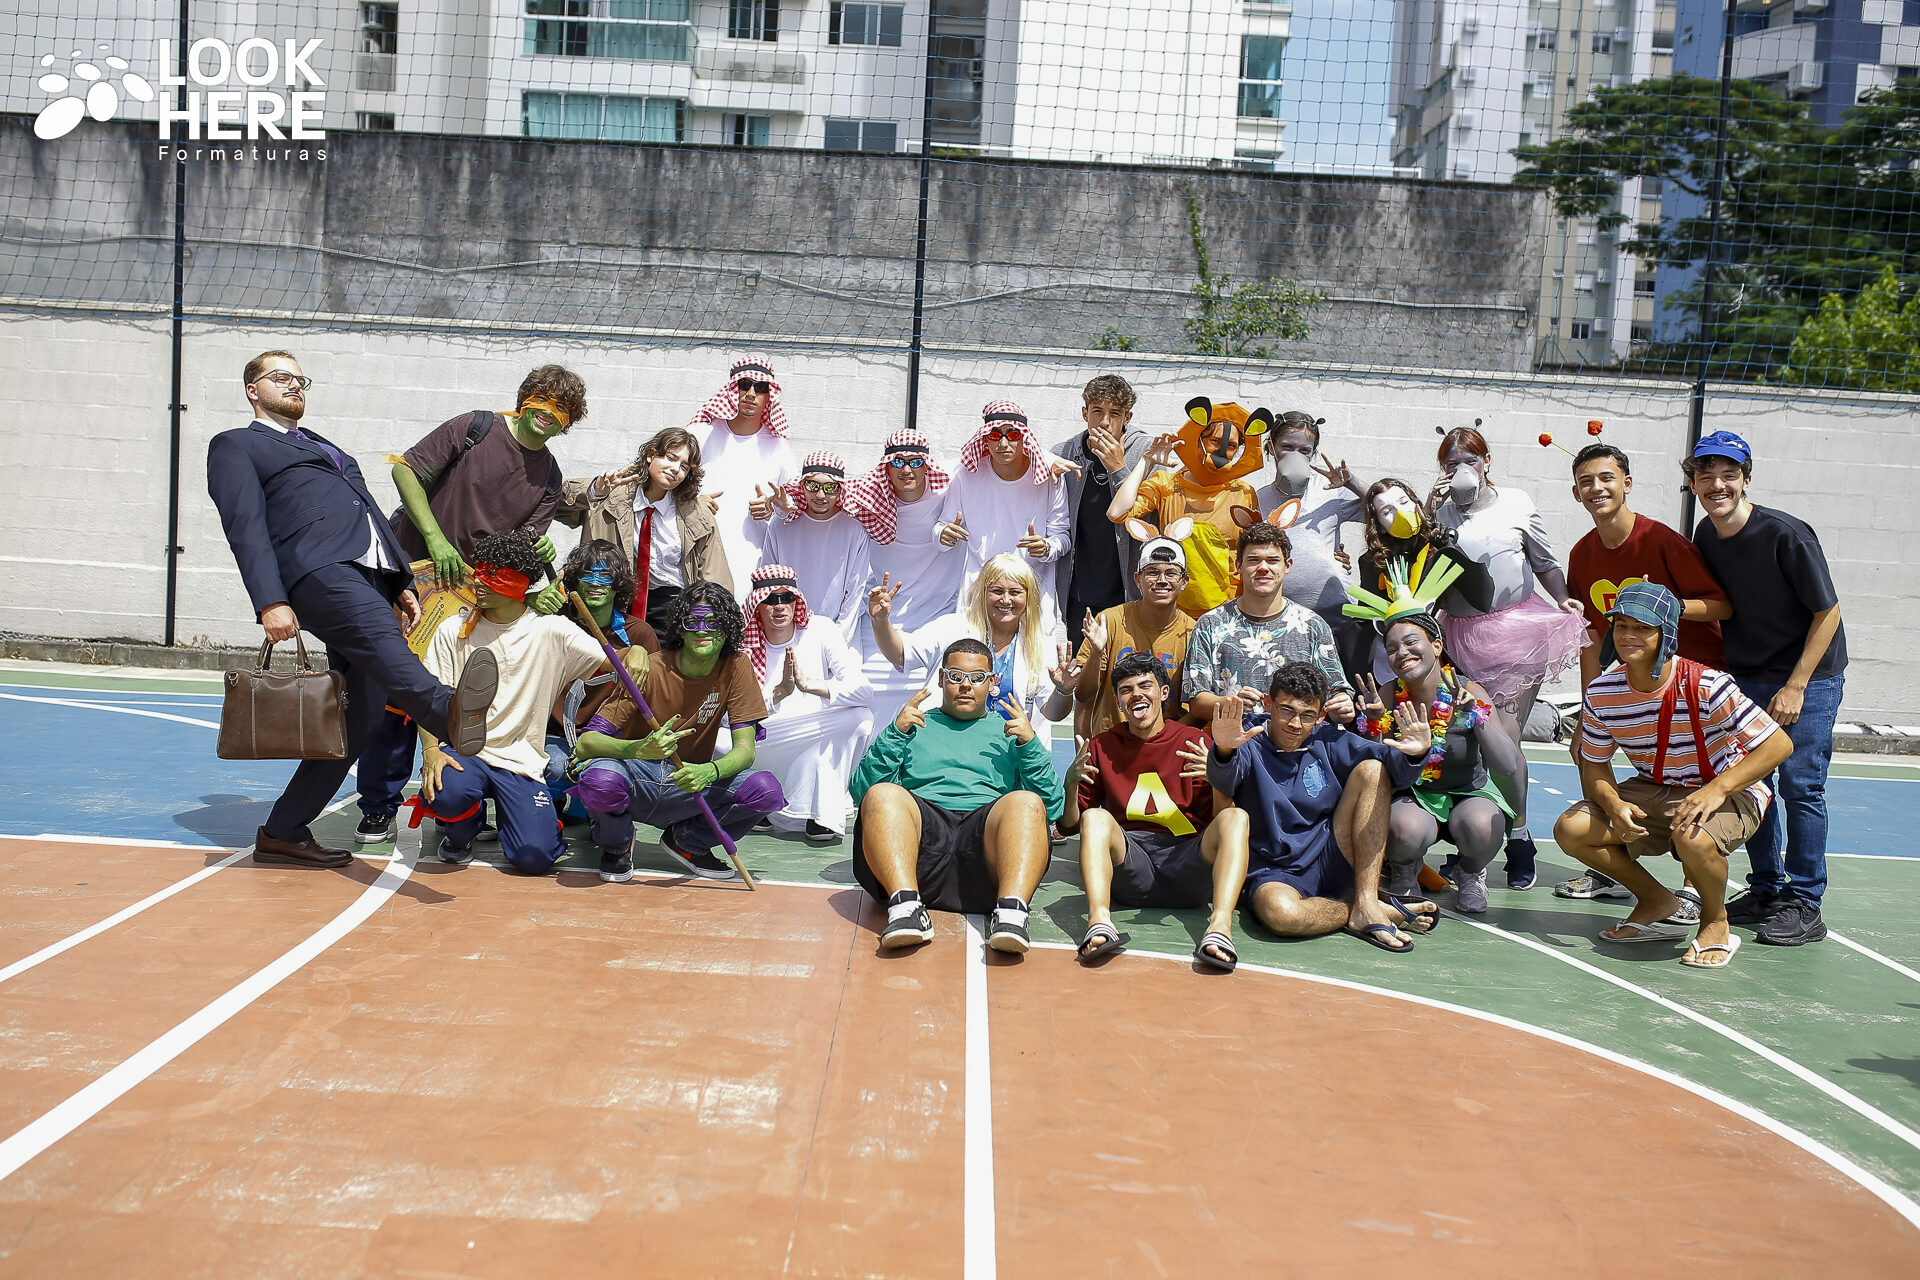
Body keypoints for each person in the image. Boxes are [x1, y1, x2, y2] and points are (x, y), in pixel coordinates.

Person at [206, 350, 495, 869]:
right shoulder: (236, 445)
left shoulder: (328, 448)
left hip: (371, 575)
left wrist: (399, 580)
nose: (294, 385)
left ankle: (283, 830)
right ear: (253, 389)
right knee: (384, 645)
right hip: (318, 571)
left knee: (358, 717)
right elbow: (243, 525)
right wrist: (270, 600)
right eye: (281, 377)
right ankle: (447, 710)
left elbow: (373, 516)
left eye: (301, 379)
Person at [351, 364, 584, 845]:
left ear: (569, 422)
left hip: (474, 597)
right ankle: (377, 805)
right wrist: (436, 540)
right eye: (542, 399)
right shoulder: (474, 427)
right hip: (413, 580)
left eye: (562, 408)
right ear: (524, 400)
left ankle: (456, 801)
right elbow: (404, 470)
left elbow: (516, 549)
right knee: (393, 695)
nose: (549, 412)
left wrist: (537, 552)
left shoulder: (549, 478)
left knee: (455, 696)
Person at [1552, 583, 1792, 969]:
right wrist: (1613, 805)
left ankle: (1715, 922)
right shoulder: (1601, 692)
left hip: (1727, 788)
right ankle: (1655, 900)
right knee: (1571, 829)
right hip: (1654, 787)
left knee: (1693, 838)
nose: (1628, 635)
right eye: (1621, 626)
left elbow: (1778, 745)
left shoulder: (1708, 684)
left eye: (1642, 627)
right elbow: (1594, 762)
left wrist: (1717, 790)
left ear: (1666, 634)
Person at [1689, 430, 1847, 947]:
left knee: (1801, 786)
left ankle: (1805, 902)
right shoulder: (1705, 534)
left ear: (1746, 479)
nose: (1717, 485)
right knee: (1753, 784)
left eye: (1728, 475)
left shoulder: (1786, 534)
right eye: (1707, 476)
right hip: (1746, 674)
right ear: (1693, 483)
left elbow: (1828, 611)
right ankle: (1766, 889)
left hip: (1807, 676)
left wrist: (1796, 685)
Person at [1556, 442, 1730, 902]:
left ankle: (1694, 889)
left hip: (1687, 681)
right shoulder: (1582, 554)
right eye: (1586, 481)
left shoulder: (1663, 541)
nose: (1597, 488)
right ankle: (1612, 866)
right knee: (1590, 758)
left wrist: (1662, 607)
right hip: (1636, 686)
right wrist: (1588, 710)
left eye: (1607, 478)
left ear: (1627, 484)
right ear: (1575, 492)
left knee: (1695, 775)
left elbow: (1721, 605)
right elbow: (1593, 638)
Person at [1429, 426, 1588, 889]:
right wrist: (1427, 515)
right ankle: (1471, 847)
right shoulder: (1439, 511)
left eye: (1470, 461)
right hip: (1457, 636)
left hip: (1516, 633)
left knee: (1503, 739)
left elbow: (1544, 561)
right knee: (1467, 740)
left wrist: (1562, 597)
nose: (1462, 470)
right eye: (1452, 464)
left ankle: (1518, 836)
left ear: (1487, 462)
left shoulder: (1516, 502)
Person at [413, 529, 611, 874]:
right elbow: (427, 698)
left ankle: (526, 823)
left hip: (521, 759)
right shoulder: (450, 629)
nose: (478, 580)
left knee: (534, 859)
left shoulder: (552, 630)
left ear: (519, 583)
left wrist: (636, 653)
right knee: (449, 794)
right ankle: (463, 830)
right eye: (478, 570)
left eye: (492, 574)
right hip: (464, 751)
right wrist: (431, 751)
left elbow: (614, 665)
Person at [848, 638, 1065, 954]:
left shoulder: (1012, 732)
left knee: (1027, 802)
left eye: (977, 678)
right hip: (921, 851)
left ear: (992, 683)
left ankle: (1012, 912)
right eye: (955, 676)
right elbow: (862, 793)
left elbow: (1052, 807)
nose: (966, 685)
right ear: (941, 679)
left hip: (985, 854)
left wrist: (1030, 747)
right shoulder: (912, 725)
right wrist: (894, 735)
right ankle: (906, 907)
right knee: (882, 794)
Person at [1206, 663, 1438, 953]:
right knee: (1281, 914)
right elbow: (1225, 779)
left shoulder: (1328, 739)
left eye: (1307, 715)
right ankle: (1363, 911)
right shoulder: (1248, 738)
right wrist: (1224, 749)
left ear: (1320, 716)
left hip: (1331, 856)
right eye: (1286, 710)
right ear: (1268, 703)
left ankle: (1367, 901)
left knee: (1373, 769)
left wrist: (1417, 753)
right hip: (1275, 872)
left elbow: (1395, 771)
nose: (1295, 724)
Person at [570, 582, 785, 882]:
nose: (702, 630)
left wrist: (709, 771)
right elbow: (587, 743)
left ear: (728, 629)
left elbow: (745, 751)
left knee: (765, 790)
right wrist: (638, 749)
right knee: (600, 779)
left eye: (713, 623)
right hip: (636, 777)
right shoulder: (650, 668)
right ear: (680, 629)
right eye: (692, 622)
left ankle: (687, 842)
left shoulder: (737, 666)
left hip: (688, 781)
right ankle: (617, 844)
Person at [1062, 651, 1251, 970]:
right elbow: (1070, 826)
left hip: (1188, 864)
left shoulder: (1195, 742)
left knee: (1237, 817)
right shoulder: (1102, 746)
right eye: (1126, 690)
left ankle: (1219, 929)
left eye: (1145, 686)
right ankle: (1099, 922)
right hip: (1131, 868)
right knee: (1095, 817)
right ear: (1118, 702)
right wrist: (1070, 785)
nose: (1136, 694)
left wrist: (1216, 777)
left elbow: (1221, 820)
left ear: (1163, 693)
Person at [1357, 607, 1527, 916]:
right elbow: (1374, 767)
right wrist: (1374, 723)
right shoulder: (1389, 694)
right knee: (1404, 829)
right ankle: (1404, 869)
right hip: (1414, 793)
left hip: (1469, 791)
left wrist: (1476, 716)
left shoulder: (1470, 690)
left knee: (1483, 826)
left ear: (1436, 646)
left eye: (1411, 643)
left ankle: (1470, 871)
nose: (1401, 653)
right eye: (1392, 649)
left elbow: (1507, 765)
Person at [842, 428, 965, 730]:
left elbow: (998, 459)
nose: (907, 470)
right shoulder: (866, 497)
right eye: (898, 462)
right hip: (880, 620)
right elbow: (816, 497)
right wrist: (777, 507)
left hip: (934, 620)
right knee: (867, 718)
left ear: (927, 465)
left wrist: (1052, 460)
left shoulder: (950, 489)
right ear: (886, 466)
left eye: (915, 462)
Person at [741, 564, 874, 843]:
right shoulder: (743, 645)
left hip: (815, 727)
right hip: (767, 733)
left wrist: (809, 685)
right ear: (757, 605)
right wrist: (780, 692)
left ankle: (822, 815)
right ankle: (759, 798)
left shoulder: (821, 629)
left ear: (796, 601)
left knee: (860, 719)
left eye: (786, 598)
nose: (780, 606)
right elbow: (735, 712)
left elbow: (863, 691)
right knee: (720, 740)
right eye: (770, 599)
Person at [870, 552, 1075, 731]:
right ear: (983, 592)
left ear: (1028, 596)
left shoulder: (1039, 643)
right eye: (997, 591)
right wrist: (880, 621)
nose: (1005, 600)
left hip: (1006, 749)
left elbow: (1052, 713)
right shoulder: (953, 626)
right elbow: (899, 653)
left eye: (1015, 592)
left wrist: (1063, 691)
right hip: (946, 738)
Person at [555, 426, 731, 635]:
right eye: (670, 458)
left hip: (671, 606)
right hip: (612, 602)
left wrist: (708, 622)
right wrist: (594, 492)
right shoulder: (610, 496)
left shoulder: (697, 515)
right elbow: (554, 502)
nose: (676, 469)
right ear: (650, 455)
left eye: (684, 466)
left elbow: (715, 578)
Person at [1108, 397, 1269, 618]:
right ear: (1199, 439)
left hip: (1226, 613)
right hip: (1174, 613)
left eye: (1231, 446)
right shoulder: (1166, 484)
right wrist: (1147, 460)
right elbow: (1117, 513)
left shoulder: (1244, 493)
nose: (1221, 451)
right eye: (1214, 440)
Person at [1183, 524, 1354, 729]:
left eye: (1272, 560)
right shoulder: (1211, 624)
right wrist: (1232, 703)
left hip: (1300, 743)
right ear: (1238, 565)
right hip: (1234, 743)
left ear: (1287, 565)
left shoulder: (1313, 626)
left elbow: (1335, 693)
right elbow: (1197, 702)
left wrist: (1342, 706)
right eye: (1253, 560)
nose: (1263, 568)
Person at [1254, 410, 1372, 681]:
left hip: (1339, 621)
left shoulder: (1330, 491)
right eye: (1287, 447)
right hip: (1283, 625)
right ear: (1271, 447)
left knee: (1345, 692)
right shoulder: (1257, 499)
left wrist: (1351, 483)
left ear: (1313, 454)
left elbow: (1388, 509)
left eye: (1304, 450)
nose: (1295, 455)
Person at [544, 541, 660, 815]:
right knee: (555, 767)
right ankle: (553, 808)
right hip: (555, 737)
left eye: (605, 576)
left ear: (618, 584)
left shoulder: (639, 633)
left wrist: (638, 650)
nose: (596, 583)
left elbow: (653, 699)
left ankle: (592, 817)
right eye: (588, 574)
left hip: (608, 740)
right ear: (575, 580)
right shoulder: (552, 623)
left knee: (604, 776)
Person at [935, 400, 1073, 627]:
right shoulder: (966, 475)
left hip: (1031, 600)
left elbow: (1062, 536)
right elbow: (941, 530)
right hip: (979, 598)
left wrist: (1047, 548)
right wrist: (943, 535)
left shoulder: (1050, 478)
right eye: (995, 435)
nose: (1003, 443)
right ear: (985, 438)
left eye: (1013, 435)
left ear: (1024, 438)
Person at [1054, 374, 1152, 649]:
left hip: (1129, 589)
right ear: (1085, 413)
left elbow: (1147, 518)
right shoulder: (1064, 453)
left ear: (1127, 417)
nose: (1105, 422)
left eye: (1115, 413)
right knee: (1082, 666)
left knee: (1124, 668)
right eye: (1097, 411)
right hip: (1078, 593)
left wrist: (1118, 469)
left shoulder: (1146, 453)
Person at [690, 354, 799, 596]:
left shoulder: (779, 447)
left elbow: (792, 505)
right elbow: (665, 484)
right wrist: (692, 502)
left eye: (760, 388)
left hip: (750, 561)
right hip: (696, 554)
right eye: (744, 385)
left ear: (769, 395)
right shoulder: (700, 434)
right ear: (732, 389)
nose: (751, 393)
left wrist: (773, 507)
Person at [1071, 537, 1196, 737]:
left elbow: (1197, 710)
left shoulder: (1194, 632)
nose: (1162, 580)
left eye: (1171, 573)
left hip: (1164, 746)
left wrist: (1166, 741)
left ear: (1184, 582)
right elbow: (1083, 694)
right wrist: (1096, 653)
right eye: (1152, 572)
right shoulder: (1109, 621)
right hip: (1111, 743)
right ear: (1137, 579)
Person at [762, 450, 871, 636]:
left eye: (829, 487)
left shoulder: (854, 529)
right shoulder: (780, 525)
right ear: (802, 486)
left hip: (839, 634)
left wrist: (837, 640)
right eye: (812, 486)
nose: (820, 495)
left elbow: (855, 593)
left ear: (840, 490)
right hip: (789, 632)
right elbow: (768, 582)